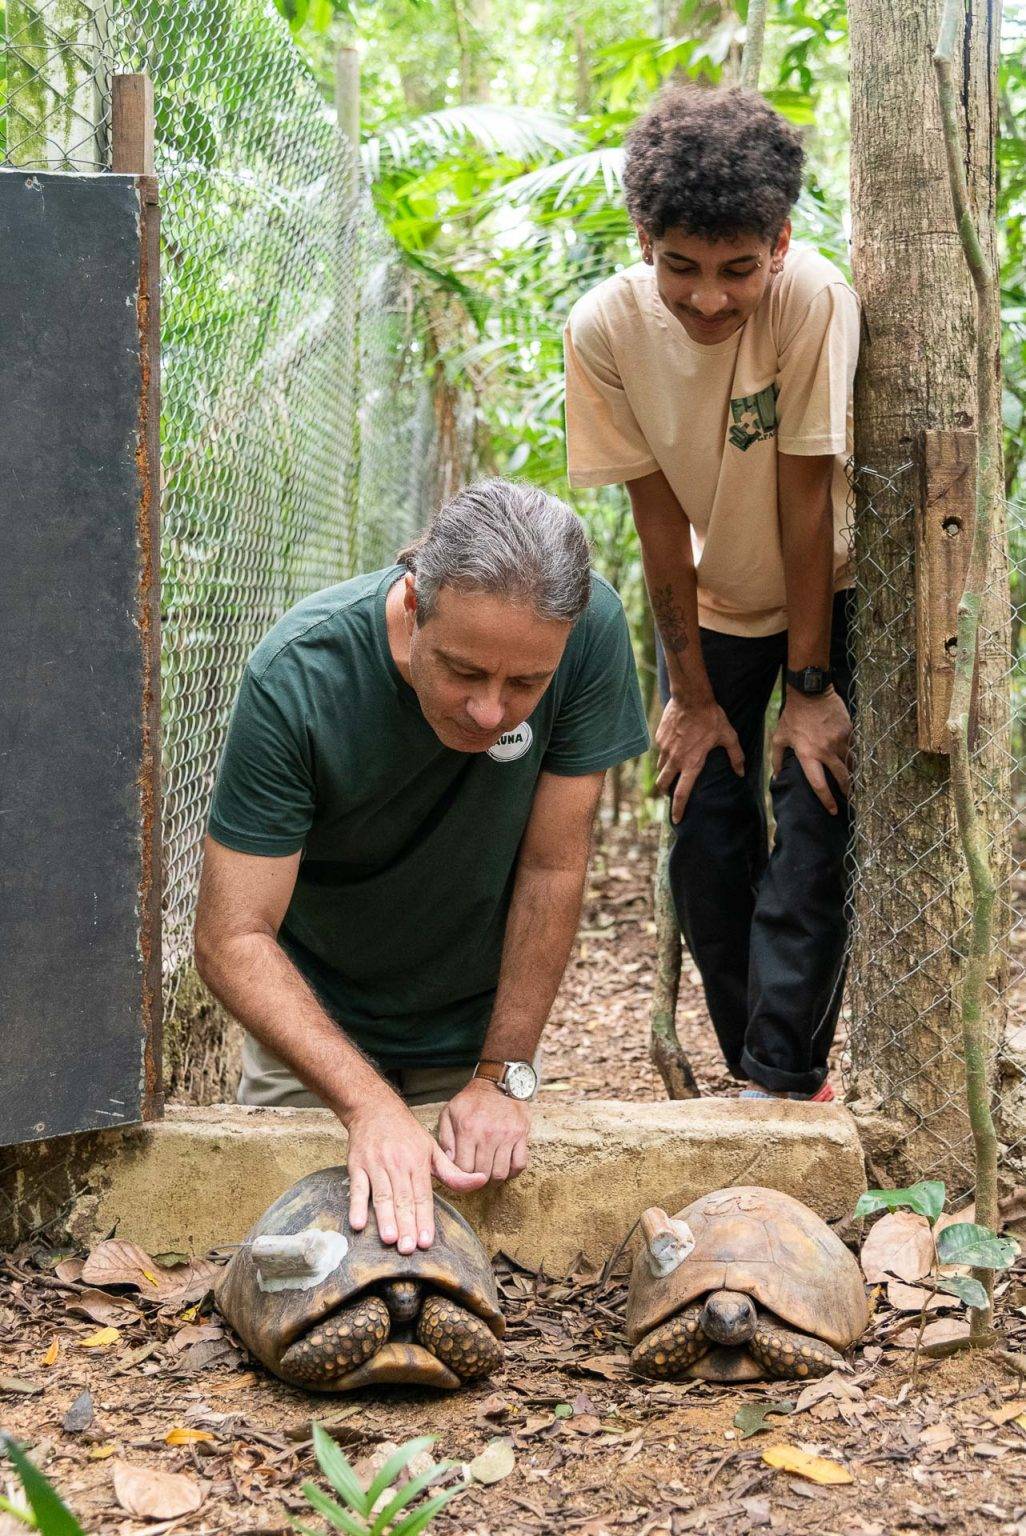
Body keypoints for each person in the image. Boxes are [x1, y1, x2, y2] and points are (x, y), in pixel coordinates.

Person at [193, 479, 649, 1251]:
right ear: (413, 604)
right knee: (302, 1252)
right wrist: (367, 1105)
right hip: (313, 1028)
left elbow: (552, 866)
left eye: (526, 684)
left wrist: (502, 1074)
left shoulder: (590, 629)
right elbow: (231, 937)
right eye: (464, 672)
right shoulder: (297, 676)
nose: (490, 711)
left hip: (473, 1032)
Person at [563, 85, 859, 1101]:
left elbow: (808, 504)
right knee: (703, 835)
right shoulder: (604, 329)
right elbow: (656, 521)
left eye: (737, 270)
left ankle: (785, 1083)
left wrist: (808, 690)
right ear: (645, 242)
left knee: (813, 820)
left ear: (779, 245)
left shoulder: (811, 299)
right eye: (681, 267)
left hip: (827, 588)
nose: (708, 299)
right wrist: (690, 696)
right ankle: (751, 1071)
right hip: (712, 605)